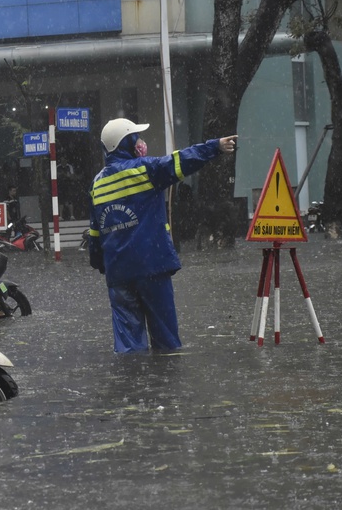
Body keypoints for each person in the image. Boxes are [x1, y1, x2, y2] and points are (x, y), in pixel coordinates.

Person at [87, 118, 237, 353]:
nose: (140, 143)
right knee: (166, 344)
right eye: (135, 138)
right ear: (124, 144)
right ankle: (164, 386)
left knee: (128, 348)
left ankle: (132, 385)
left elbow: (95, 236)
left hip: (118, 275)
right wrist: (214, 146)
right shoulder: (146, 170)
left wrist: (104, 265)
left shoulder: (97, 185)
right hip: (152, 267)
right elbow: (182, 160)